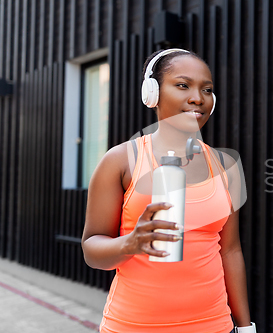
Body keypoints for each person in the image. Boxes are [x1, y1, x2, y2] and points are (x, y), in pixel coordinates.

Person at [81, 48, 255, 333]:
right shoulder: (121, 160)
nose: (198, 98)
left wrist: (245, 327)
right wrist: (131, 243)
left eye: (207, 89)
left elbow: (231, 251)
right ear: (152, 93)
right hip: (133, 326)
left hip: (214, 326)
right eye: (183, 85)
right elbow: (91, 248)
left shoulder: (226, 166)